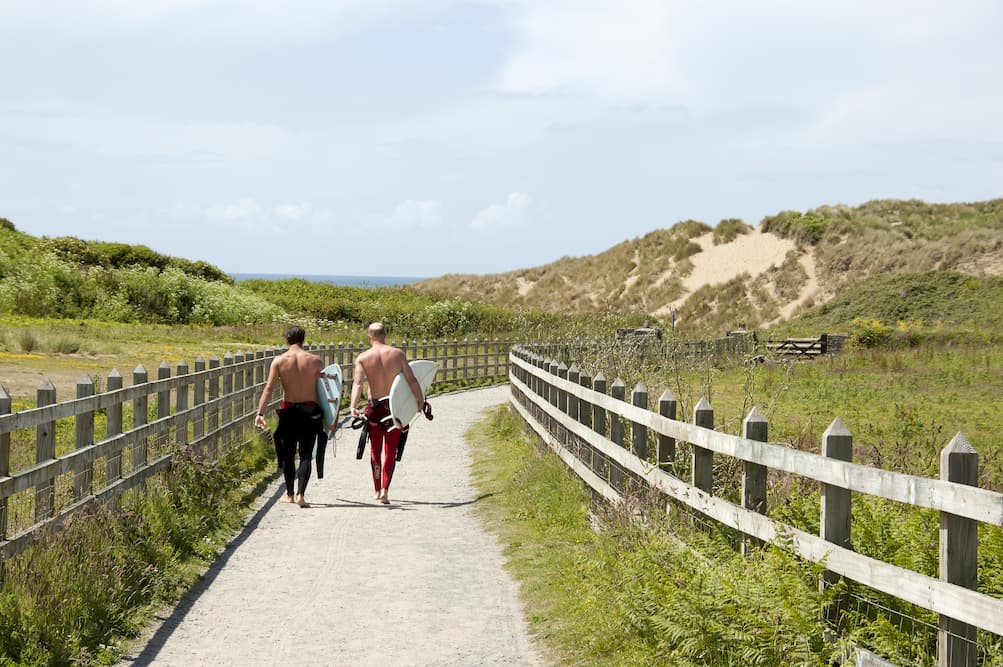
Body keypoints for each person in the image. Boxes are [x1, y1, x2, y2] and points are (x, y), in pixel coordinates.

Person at [350, 322, 425, 504]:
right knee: (390, 450)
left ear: (370, 337)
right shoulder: (397, 354)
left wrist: (353, 405)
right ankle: (385, 490)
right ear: (385, 335)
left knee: (375, 451)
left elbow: (358, 383)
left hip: (374, 407)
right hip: (394, 408)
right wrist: (419, 400)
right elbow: (412, 380)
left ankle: (376, 490)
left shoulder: (363, 357)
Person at [255, 325, 324, 508]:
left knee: (288, 454)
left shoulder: (279, 361)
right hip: (310, 411)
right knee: (306, 454)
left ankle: (290, 494)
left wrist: (260, 413)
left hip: (289, 411)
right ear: (303, 339)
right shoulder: (316, 361)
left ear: (287, 339)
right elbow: (323, 390)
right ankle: (302, 494)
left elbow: (269, 389)